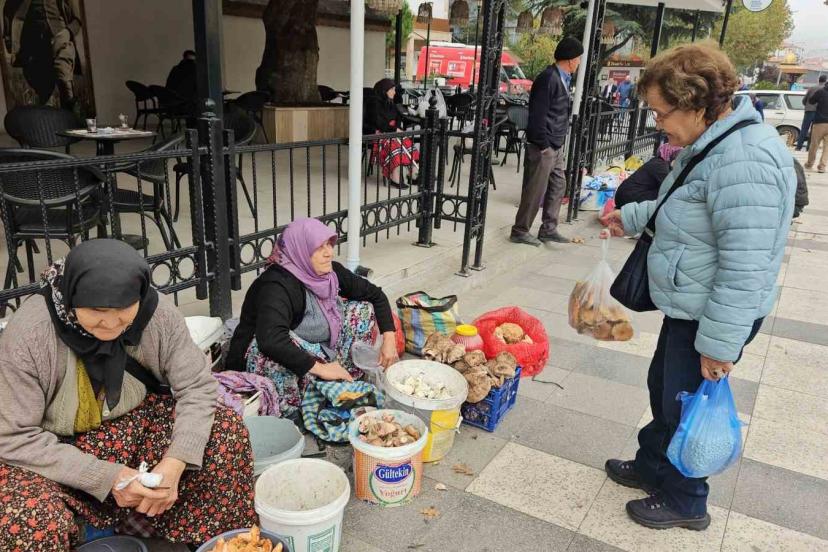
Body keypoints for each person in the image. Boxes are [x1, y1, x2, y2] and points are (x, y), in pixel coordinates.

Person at [602, 44, 795, 531]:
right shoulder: (718, 144)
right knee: (665, 388)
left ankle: (686, 500)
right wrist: (631, 217)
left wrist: (719, 346)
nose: (657, 123)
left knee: (686, 404)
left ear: (693, 103)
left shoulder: (744, 159)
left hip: (713, 311)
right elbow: (686, 205)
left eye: (660, 112)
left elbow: (746, 266)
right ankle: (652, 466)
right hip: (691, 301)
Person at [0, 239, 256, 551]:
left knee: (225, 432)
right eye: (96, 310)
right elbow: (13, 436)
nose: (110, 323)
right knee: (26, 519)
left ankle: (210, 545)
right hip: (51, 451)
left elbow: (197, 387)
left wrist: (175, 463)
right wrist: (106, 477)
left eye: (123, 309)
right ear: (72, 298)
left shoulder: (157, 314)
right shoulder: (31, 332)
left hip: (129, 429)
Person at [227, 218, 398, 419]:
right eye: (319, 247)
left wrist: (389, 339)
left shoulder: (330, 273)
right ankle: (290, 406)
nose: (329, 252)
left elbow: (375, 295)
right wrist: (320, 369)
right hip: (280, 355)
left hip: (318, 347)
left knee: (362, 309)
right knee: (266, 351)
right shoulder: (276, 285)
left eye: (329, 244)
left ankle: (345, 376)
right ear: (300, 250)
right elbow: (271, 340)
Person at [510, 36, 583, 247]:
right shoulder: (548, 78)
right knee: (535, 190)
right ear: (570, 59)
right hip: (545, 145)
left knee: (559, 184)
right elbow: (538, 114)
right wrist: (543, 144)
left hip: (555, 144)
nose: (579, 63)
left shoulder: (562, 78)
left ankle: (548, 228)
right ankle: (520, 230)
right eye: (578, 58)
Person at [2, 0, 82, 109]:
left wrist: (67, 32)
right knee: (44, 93)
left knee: (64, 81)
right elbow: (8, 11)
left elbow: (77, 19)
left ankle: (71, 113)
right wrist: (9, 40)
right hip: (33, 46)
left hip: (59, 40)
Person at [364, 78, 419, 189]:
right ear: (384, 90)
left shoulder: (390, 102)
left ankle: (413, 174)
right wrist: (394, 129)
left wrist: (397, 128)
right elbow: (378, 122)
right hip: (378, 133)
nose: (394, 92)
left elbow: (398, 117)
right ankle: (395, 177)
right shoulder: (373, 103)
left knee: (408, 144)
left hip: (390, 131)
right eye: (392, 89)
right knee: (395, 147)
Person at [613, 143, 683, 208]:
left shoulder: (658, 162)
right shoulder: (660, 166)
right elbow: (669, 187)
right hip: (627, 198)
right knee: (665, 194)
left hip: (624, 196)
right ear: (671, 154)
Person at [797, 75, 826, 151]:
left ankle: (798, 147)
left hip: (809, 111)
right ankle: (809, 148)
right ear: (825, 81)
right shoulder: (825, 90)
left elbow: (805, 100)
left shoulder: (812, 88)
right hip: (819, 113)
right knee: (813, 131)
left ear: (819, 80)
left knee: (804, 129)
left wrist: (807, 106)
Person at [806, 78, 828, 173]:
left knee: (814, 144)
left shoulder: (821, 91)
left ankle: (809, 164)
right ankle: (822, 166)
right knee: (827, 147)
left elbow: (811, 101)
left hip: (820, 122)